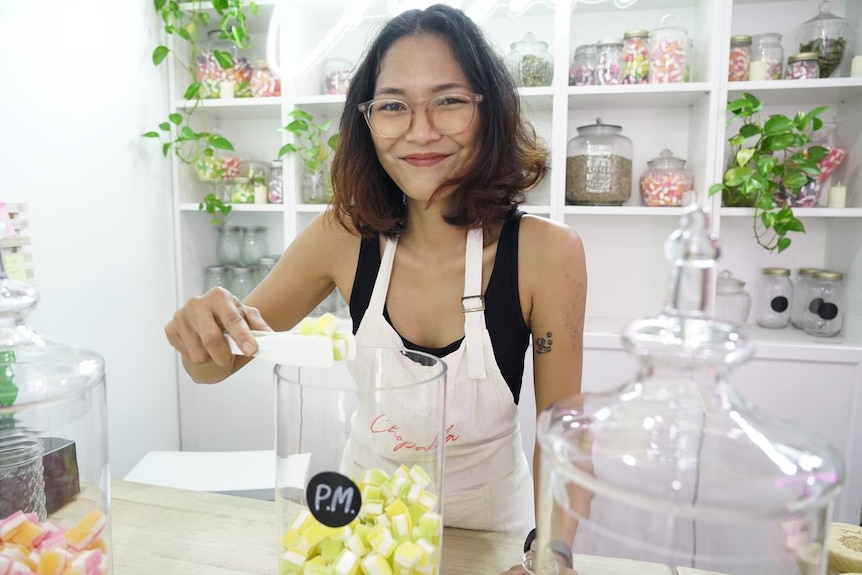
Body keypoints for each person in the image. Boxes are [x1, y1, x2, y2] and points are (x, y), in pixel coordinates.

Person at [165, 4, 586, 571]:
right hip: (361, 524)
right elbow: (213, 366)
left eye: (450, 100)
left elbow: (564, 436)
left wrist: (553, 554)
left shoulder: (545, 254)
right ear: (367, 120)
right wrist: (205, 331)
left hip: (490, 533)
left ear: (490, 111)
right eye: (393, 106)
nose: (421, 131)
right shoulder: (341, 237)